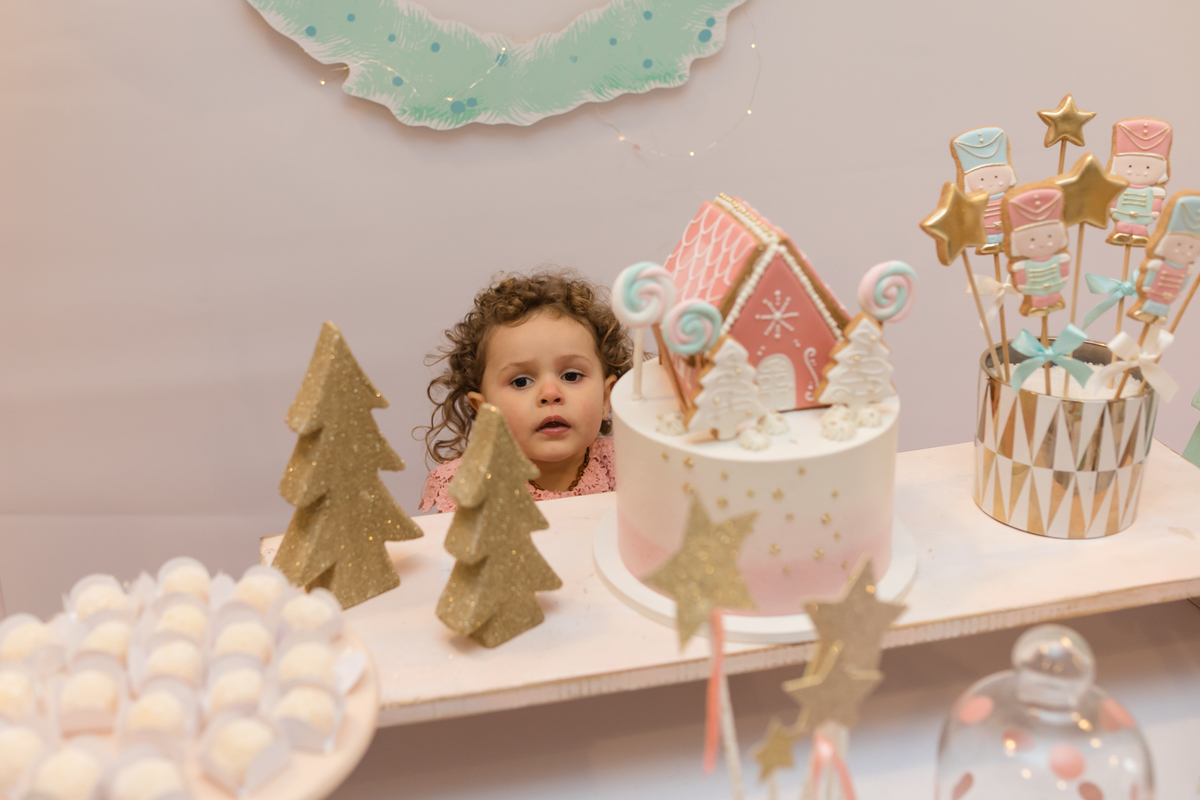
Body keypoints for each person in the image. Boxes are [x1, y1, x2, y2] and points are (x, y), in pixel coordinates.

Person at [418, 271, 632, 513]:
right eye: (521, 382)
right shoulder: (467, 488)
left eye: (571, 376)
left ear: (607, 397)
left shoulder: (634, 467)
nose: (550, 393)